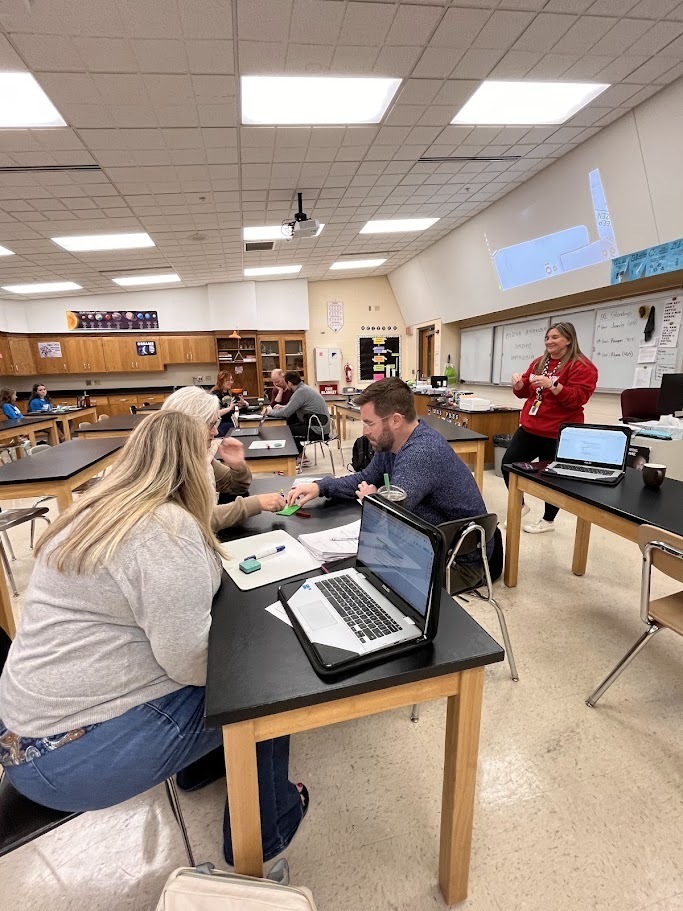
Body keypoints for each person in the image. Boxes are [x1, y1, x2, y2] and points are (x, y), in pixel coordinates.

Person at [0, 410, 307, 864]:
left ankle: (200, 768)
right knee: (264, 687)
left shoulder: (102, 510)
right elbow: (192, 664)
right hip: (68, 760)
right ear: (194, 465)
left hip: (27, 736)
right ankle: (268, 830)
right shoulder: (163, 527)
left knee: (236, 665)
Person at [287, 377, 501, 590]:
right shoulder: (392, 444)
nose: (364, 431)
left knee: (367, 584)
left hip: (456, 563)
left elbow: (393, 521)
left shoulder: (422, 452)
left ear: (396, 420)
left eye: (369, 423)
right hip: (427, 546)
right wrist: (320, 487)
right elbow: (365, 478)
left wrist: (374, 501)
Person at [502, 321, 598, 534]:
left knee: (551, 478)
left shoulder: (582, 366)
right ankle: (520, 506)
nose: (549, 341)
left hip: (558, 433)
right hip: (530, 427)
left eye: (555, 337)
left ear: (569, 340)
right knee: (508, 465)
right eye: (547, 337)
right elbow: (525, 390)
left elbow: (577, 399)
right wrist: (518, 385)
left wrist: (553, 385)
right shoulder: (540, 362)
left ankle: (548, 521)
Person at [162, 386, 285, 528]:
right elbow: (199, 520)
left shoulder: (201, 457)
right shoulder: (171, 470)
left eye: (216, 423)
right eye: (211, 425)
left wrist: (238, 467)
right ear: (187, 427)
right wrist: (256, 503)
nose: (215, 431)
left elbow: (237, 487)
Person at [267, 371, 331, 460]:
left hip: (317, 430)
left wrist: (269, 412)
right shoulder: (304, 389)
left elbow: (285, 413)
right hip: (320, 426)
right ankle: (300, 455)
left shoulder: (300, 392)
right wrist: (284, 406)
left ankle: (298, 459)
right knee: (289, 426)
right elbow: (293, 407)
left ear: (289, 383)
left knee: (286, 431)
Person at [210, 371, 248, 436]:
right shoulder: (215, 394)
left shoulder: (230, 393)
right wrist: (229, 408)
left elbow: (247, 404)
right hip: (219, 424)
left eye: (231, 380)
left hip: (230, 422)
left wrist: (243, 403)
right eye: (228, 380)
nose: (231, 382)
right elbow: (215, 413)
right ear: (221, 381)